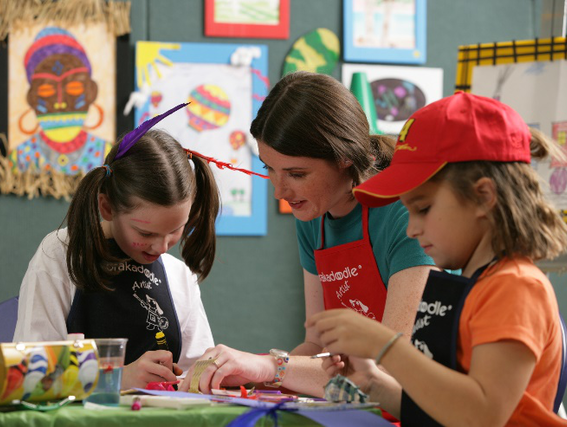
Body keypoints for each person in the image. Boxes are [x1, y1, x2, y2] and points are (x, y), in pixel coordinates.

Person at [307, 92, 567, 426]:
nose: (412, 230)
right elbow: (445, 411)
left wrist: (384, 344)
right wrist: (374, 382)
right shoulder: (475, 286)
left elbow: (482, 414)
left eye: (423, 209)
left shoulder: (516, 288)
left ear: (483, 197)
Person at [180, 71, 435, 397]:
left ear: (344, 157)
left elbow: (392, 366)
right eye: (269, 169)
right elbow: (317, 346)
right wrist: (244, 375)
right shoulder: (313, 215)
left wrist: (267, 366)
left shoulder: (403, 214)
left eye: (297, 174)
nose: (280, 191)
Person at [14, 105, 221, 390]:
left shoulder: (177, 276)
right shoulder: (60, 256)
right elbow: (29, 374)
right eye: (145, 232)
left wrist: (209, 374)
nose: (161, 247)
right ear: (107, 207)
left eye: (175, 230)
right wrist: (116, 379)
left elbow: (196, 373)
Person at [12, 26, 110, 175]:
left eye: (74, 88)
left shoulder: (107, 154)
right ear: (32, 98)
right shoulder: (19, 157)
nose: (60, 102)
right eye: (46, 90)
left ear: (91, 91)